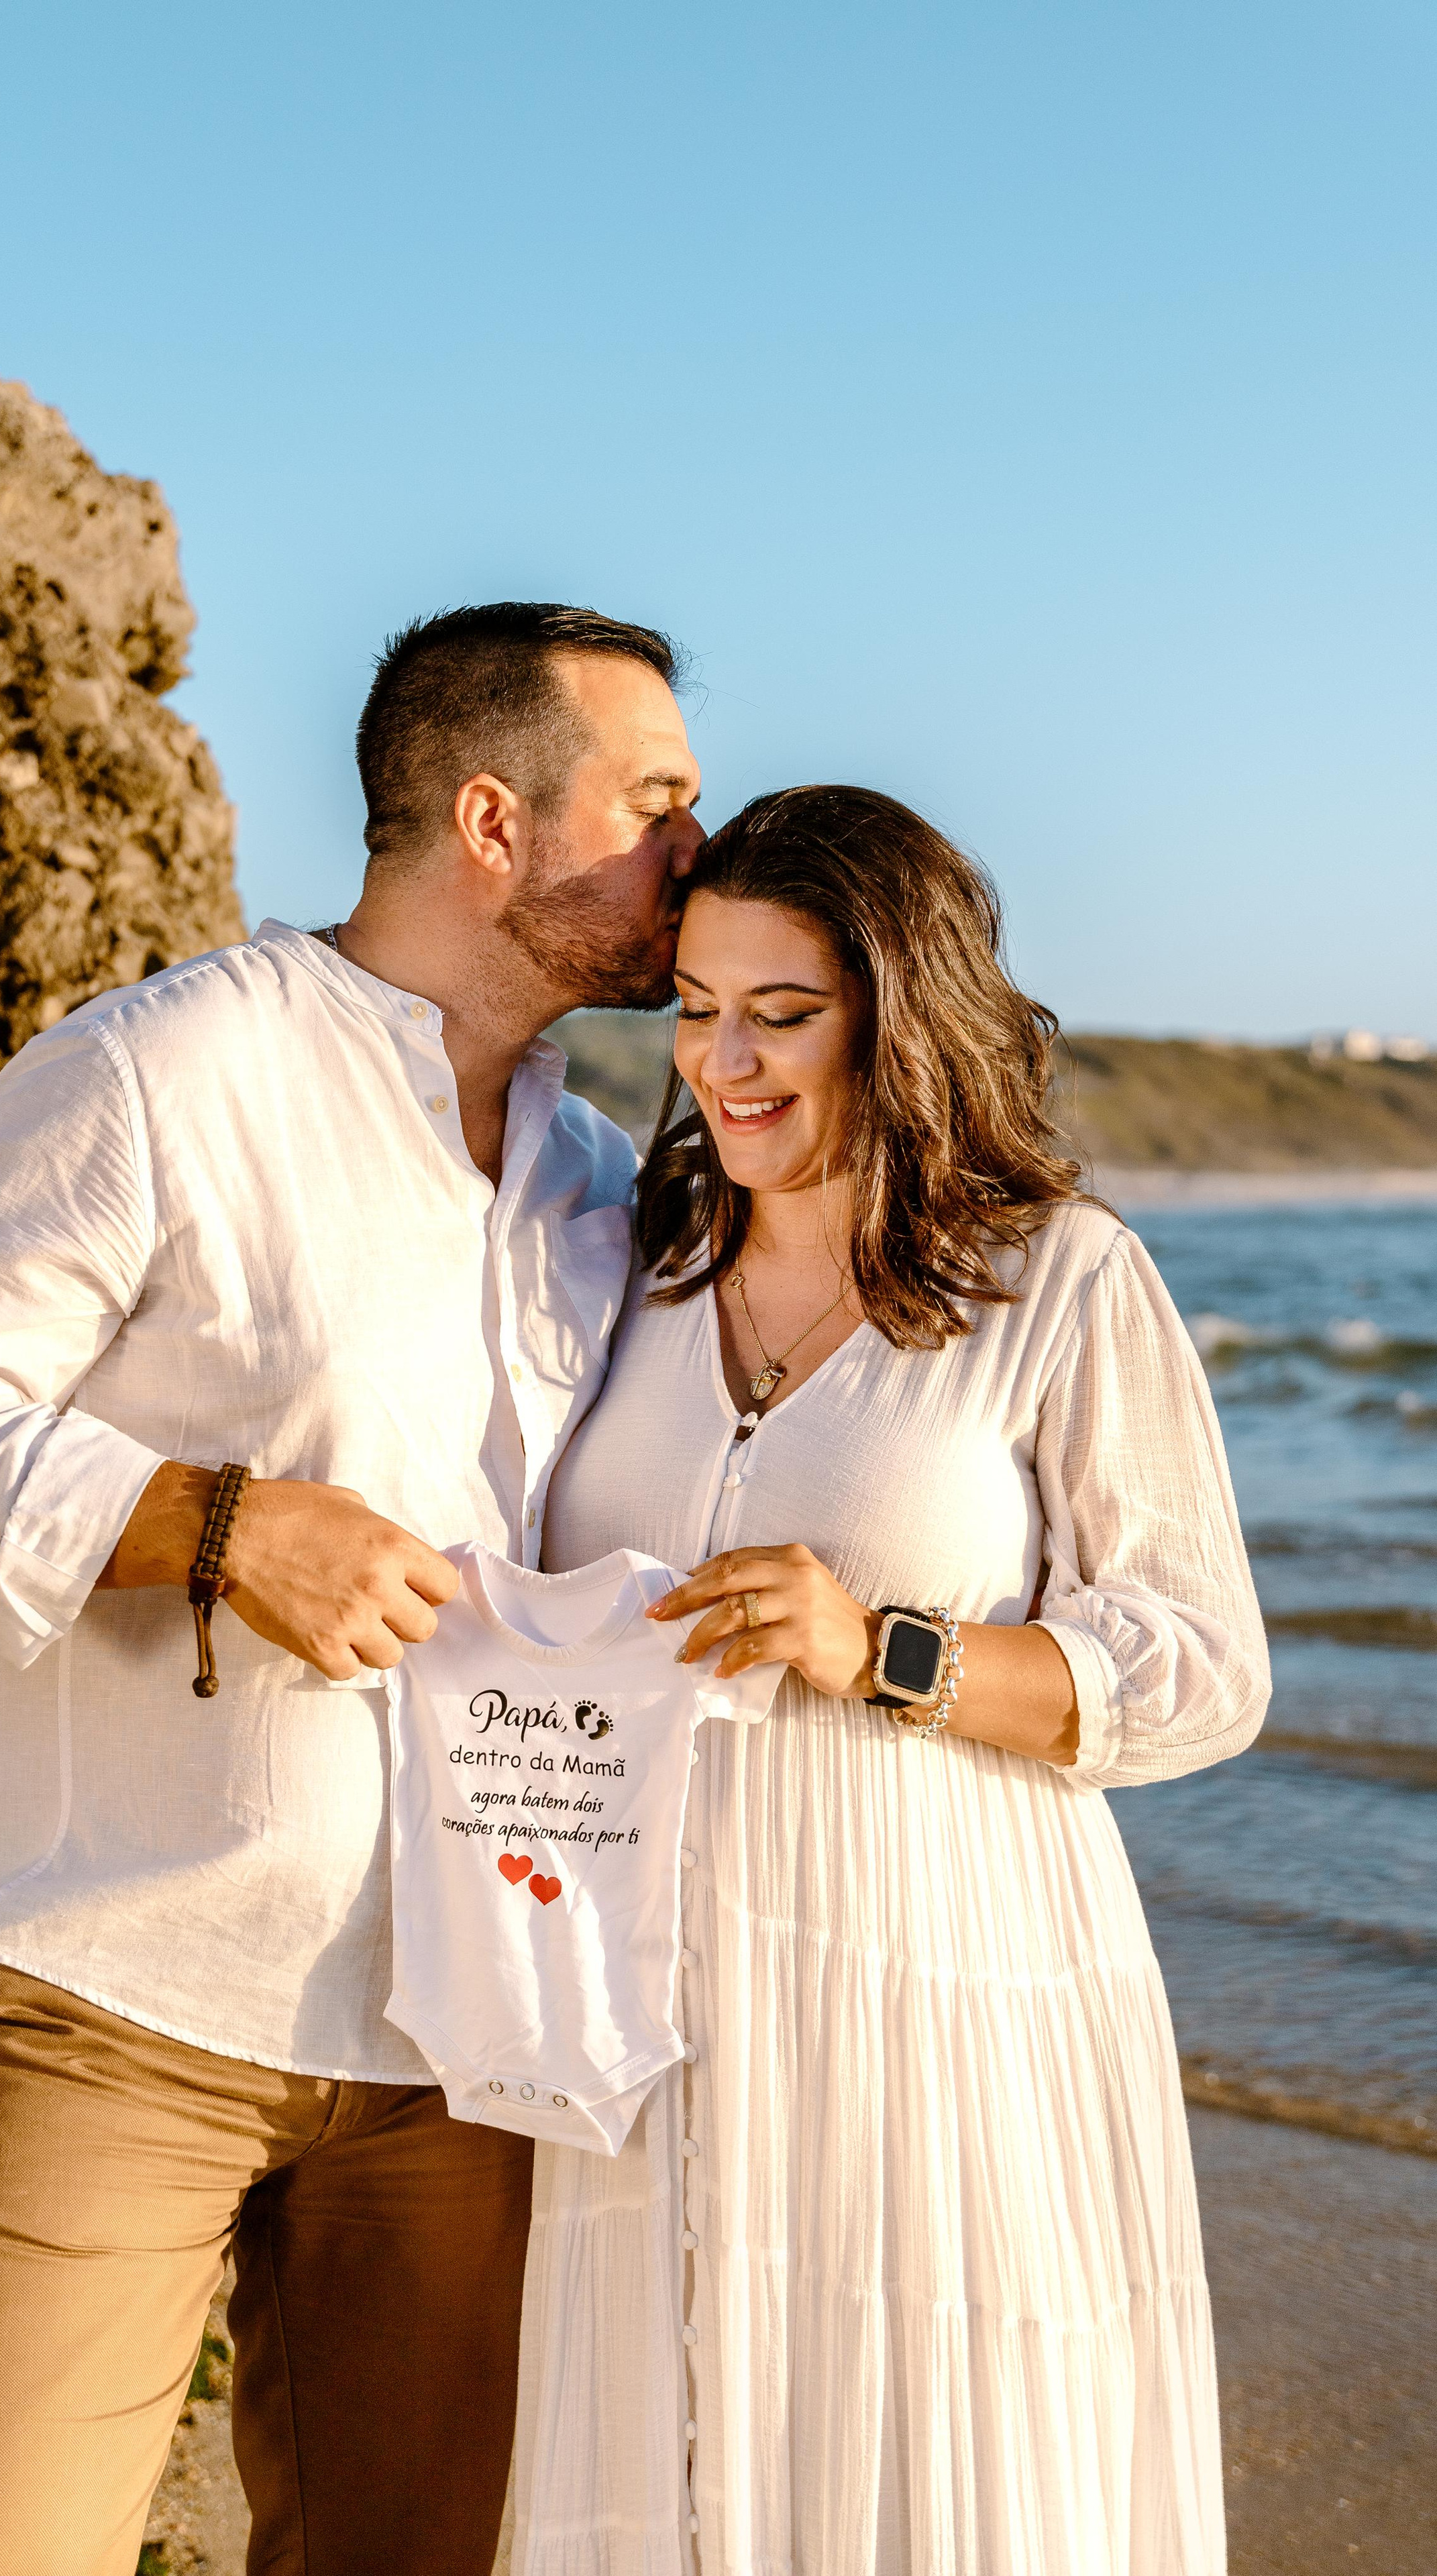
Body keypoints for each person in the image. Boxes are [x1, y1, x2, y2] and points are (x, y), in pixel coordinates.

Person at [0, 601, 704, 2576]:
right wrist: (212, 1523)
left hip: (467, 2048)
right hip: (112, 1994)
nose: (689, 861)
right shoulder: (162, 1071)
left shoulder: (601, 1189)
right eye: (654, 807)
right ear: (490, 820)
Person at [507, 786, 1271, 2575]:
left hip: (940, 1978)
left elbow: (1202, 1670)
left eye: (785, 1014)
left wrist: (885, 1650)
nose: (727, 1064)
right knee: (676, 2464)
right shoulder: (633, 1266)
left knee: (928, 2476)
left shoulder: (1058, 1281)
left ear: (900, 1015)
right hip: (652, 1996)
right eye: (697, 1010)